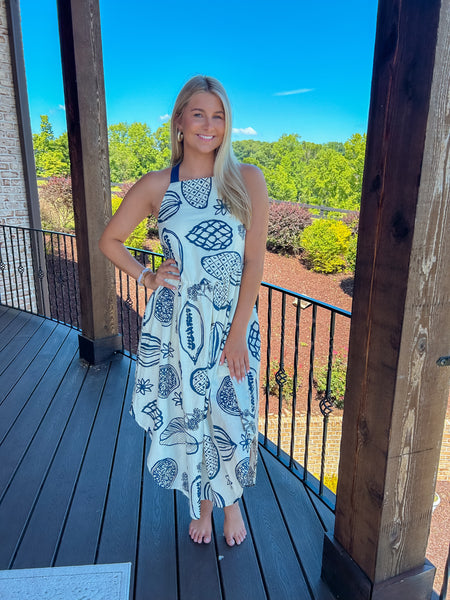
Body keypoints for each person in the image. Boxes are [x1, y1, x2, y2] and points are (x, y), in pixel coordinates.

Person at [99, 75, 269, 547]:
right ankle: (204, 505)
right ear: (178, 121)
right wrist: (147, 276)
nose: (209, 125)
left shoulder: (246, 179)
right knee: (191, 413)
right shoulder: (157, 185)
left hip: (233, 323)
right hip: (176, 323)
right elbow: (109, 241)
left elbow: (254, 261)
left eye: (218, 116)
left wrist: (237, 333)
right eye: (199, 114)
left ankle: (231, 504)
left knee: (230, 414)